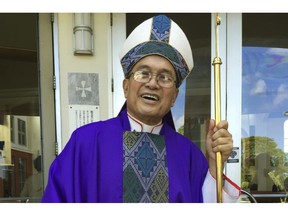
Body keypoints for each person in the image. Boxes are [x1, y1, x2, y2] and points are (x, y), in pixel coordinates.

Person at [42, 14, 241, 203]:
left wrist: (215, 168)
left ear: (174, 97)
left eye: (164, 77)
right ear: (126, 87)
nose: (153, 84)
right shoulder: (86, 142)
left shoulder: (188, 155)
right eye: (143, 73)